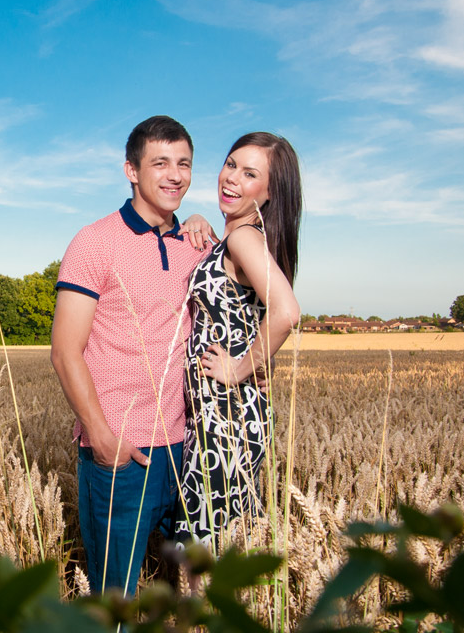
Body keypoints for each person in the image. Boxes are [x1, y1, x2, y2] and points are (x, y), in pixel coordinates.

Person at [50, 115, 211, 596]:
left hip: (189, 450)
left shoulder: (199, 245)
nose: (174, 175)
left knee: (189, 593)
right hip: (122, 454)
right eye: (160, 163)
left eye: (184, 163)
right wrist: (102, 437)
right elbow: (65, 351)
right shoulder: (95, 241)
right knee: (114, 594)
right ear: (131, 170)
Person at [173, 132, 302, 566]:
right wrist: (196, 219)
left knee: (205, 542)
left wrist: (240, 369)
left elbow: (286, 312)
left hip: (226, 413)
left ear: (269, 193)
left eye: (250, 174)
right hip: (219, 411)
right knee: (222, 537)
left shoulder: (244, 238)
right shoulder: (238, 237)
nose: (231, 178)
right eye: (231, 164)